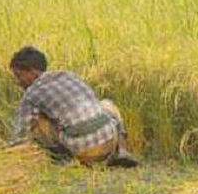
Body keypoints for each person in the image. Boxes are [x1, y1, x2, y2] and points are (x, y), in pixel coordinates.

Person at [9, 46, 138, 168]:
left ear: (32, 71)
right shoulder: (68, 75)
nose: (18, 82)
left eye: (19, 75)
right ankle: (122, 150)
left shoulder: (32, 93)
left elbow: (21, 134)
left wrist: (9, 152)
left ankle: (63, 159)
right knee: (107, 104)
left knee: (38, 121)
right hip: (110, 140)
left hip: (84, 150)